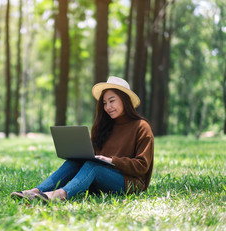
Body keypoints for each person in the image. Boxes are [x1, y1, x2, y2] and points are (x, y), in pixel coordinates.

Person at [11, 76, 154, 202]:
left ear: (125, 100)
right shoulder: (104, 126)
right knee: (74, 162)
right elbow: (92, 157)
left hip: (130, 184)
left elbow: (142, 166)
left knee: (94, 167)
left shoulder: (141, 127)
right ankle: (35, 191)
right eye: (104, 103)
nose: (108, 107)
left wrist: (111, 160)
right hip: (101, 180)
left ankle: (60, 195)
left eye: (112, 101)